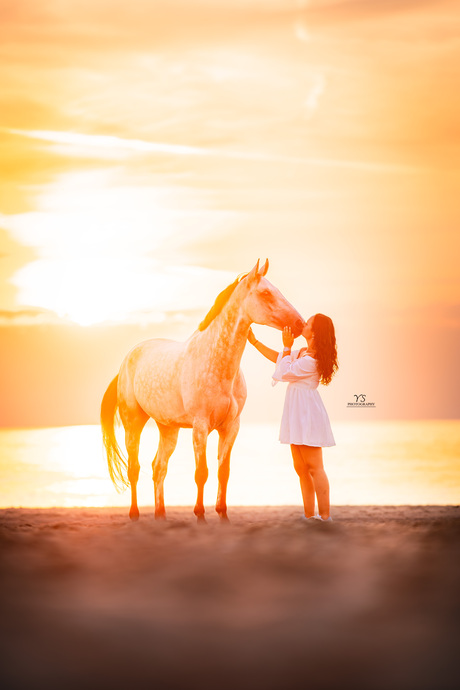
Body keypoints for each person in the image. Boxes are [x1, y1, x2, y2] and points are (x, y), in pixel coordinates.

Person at [248, 314, 338, 521]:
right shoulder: (305, 353)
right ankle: (309, 515)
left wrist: (287, 347)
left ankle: (325, 517)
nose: (303, 325)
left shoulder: (312, 360)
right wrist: (254, 342)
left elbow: (285, 373)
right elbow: (279, 359)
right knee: (301, 468)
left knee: (315, 467)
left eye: (307, 323)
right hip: (296, 412)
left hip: (308, 413)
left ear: (314, 332)